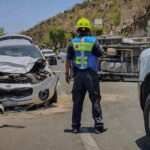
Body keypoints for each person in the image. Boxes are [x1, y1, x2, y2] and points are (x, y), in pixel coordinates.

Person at [65, 17, 105, 134]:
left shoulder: (72, 42)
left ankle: (75, 126)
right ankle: (98, 126)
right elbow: (101, 55)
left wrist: (67, 74)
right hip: (91, 75)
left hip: (78, 76)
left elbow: (68, 60)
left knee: (77, 101)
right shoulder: (93, 41)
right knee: (95, 100)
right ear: (88, 29)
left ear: (78, 30)